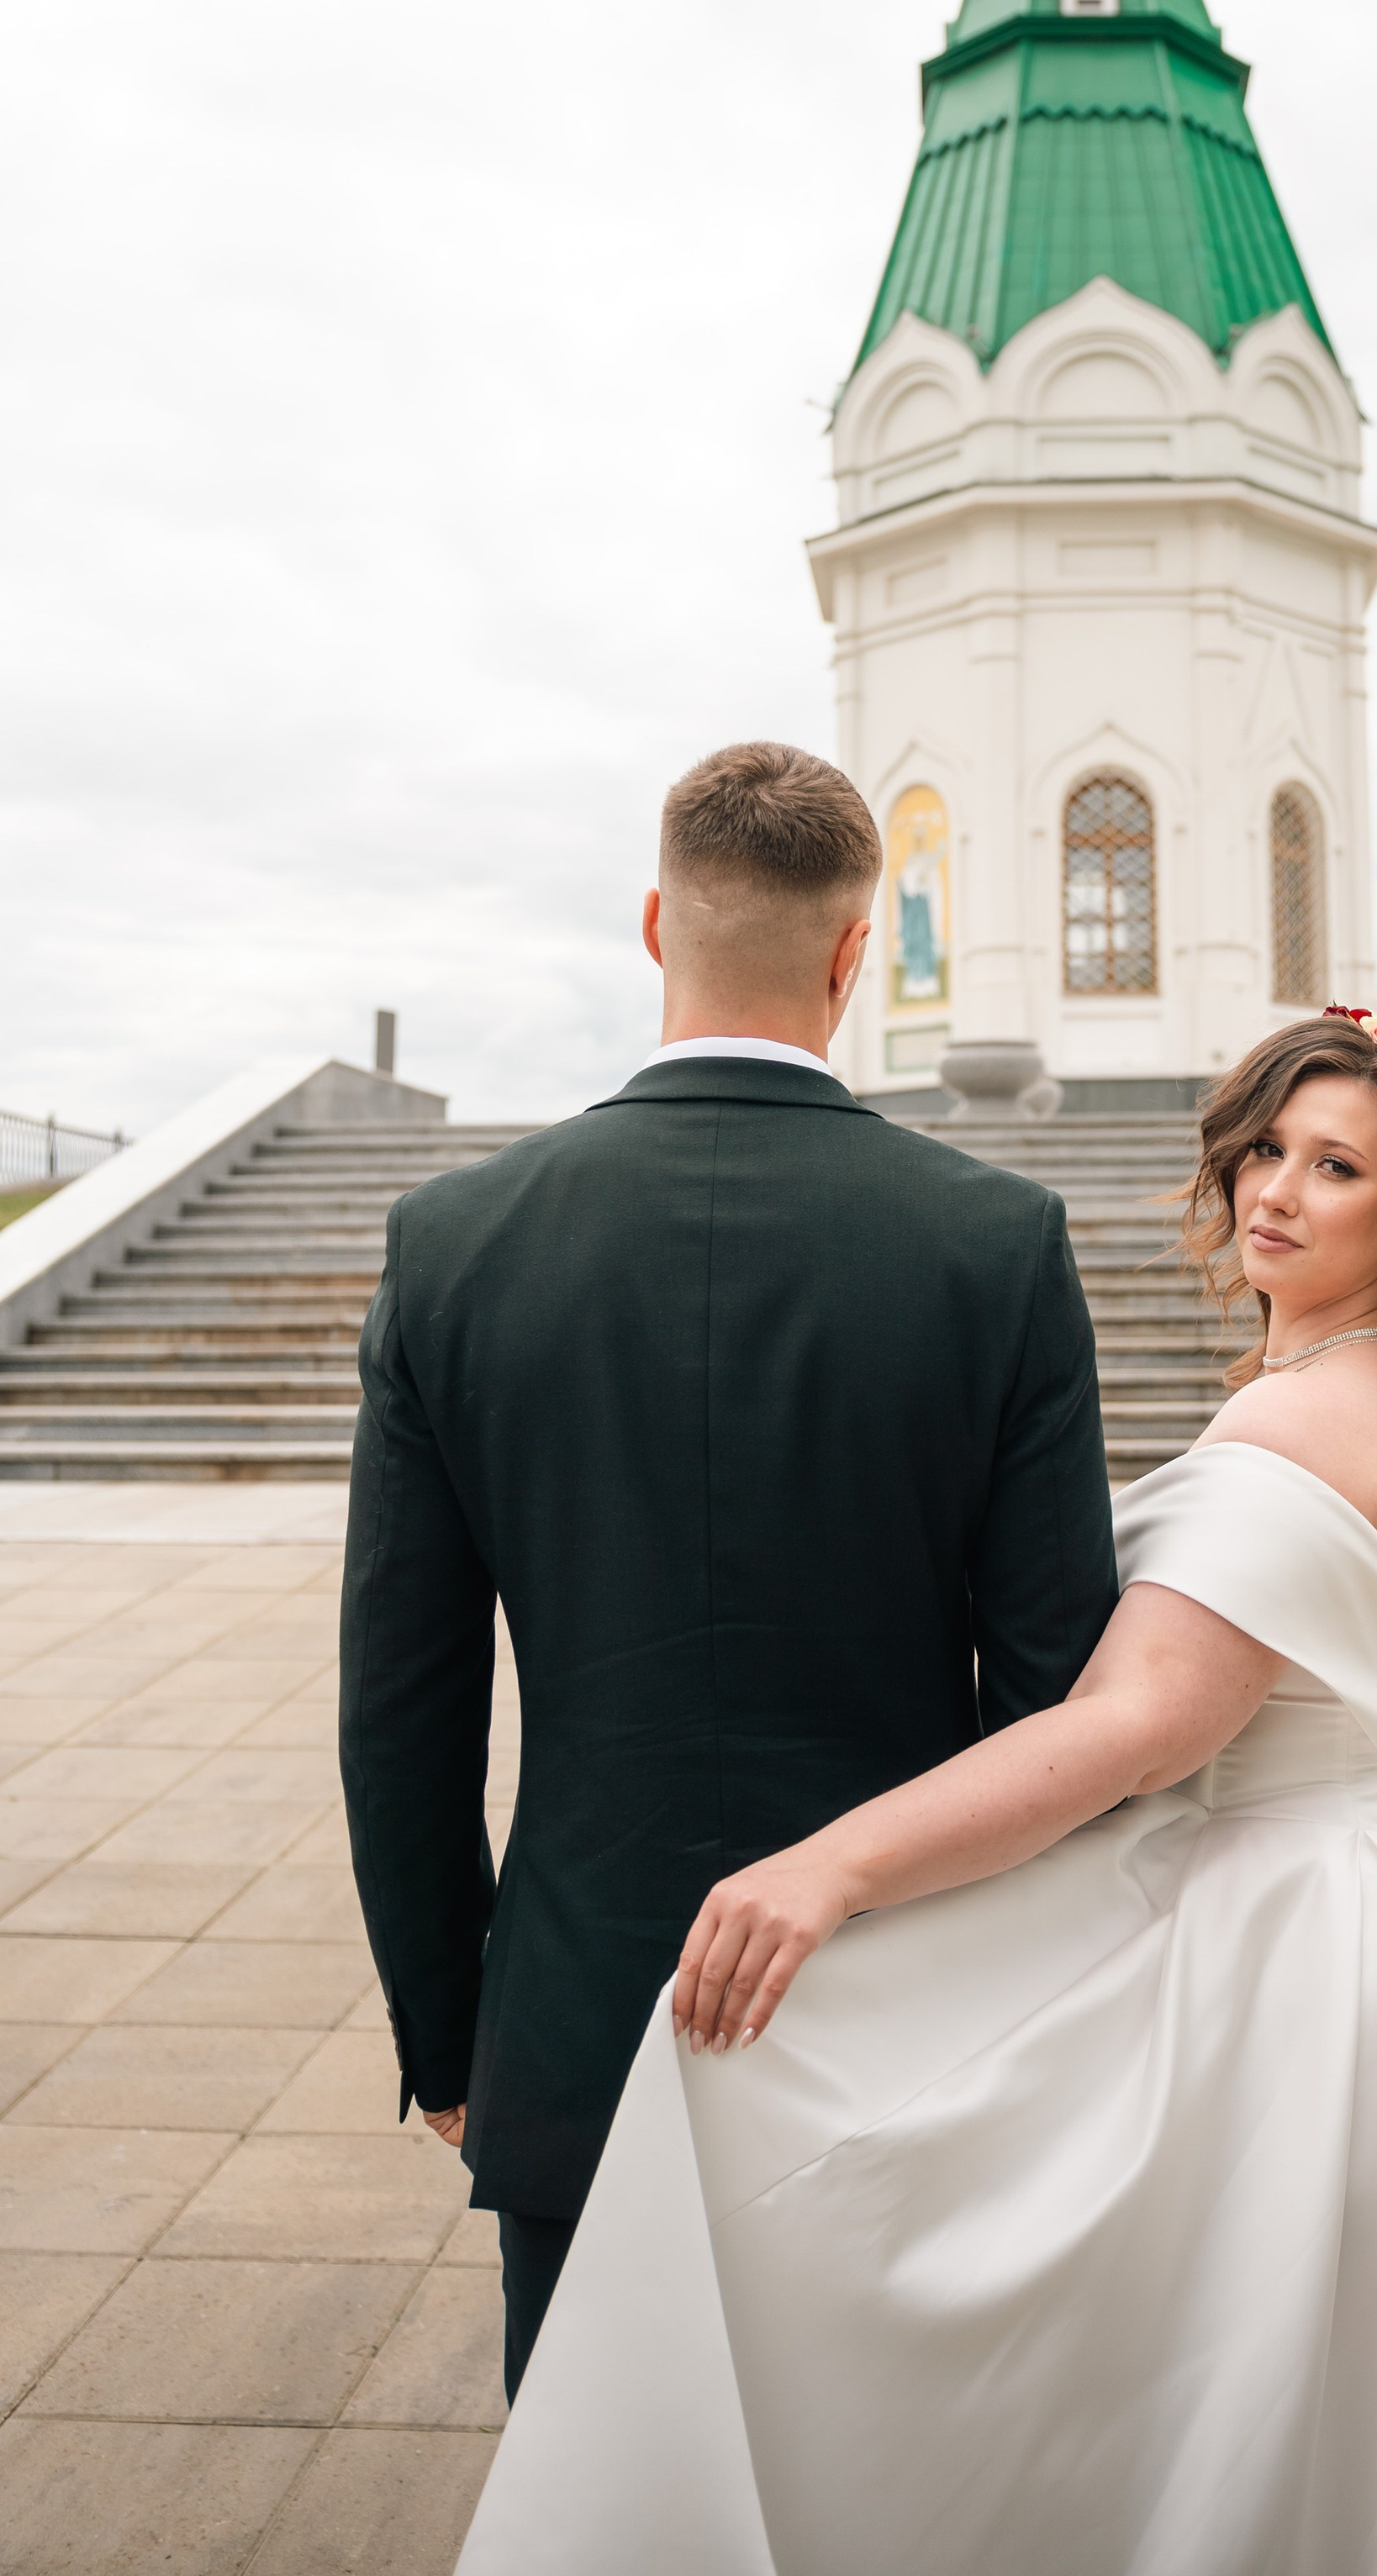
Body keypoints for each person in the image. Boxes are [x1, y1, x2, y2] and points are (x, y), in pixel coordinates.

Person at [455, 1011, 1377, 2574]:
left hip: (1296, 1976)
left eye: (1336, 1168)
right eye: (1266, 1150)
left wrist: (833, 1866)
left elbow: (1134, 1732)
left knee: (1210, 2397)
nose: (1274, 1191)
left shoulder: (1295, 1418)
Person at [338, 741, 1117, 2400]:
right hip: (902, 2016)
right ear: (856, 950)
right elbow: (1055, 1697)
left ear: (653, 925)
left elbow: (402, 1710)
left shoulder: (453, 1244)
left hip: (573, 2023)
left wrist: (450, 2031)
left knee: (598, 2489)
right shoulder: (995, 1246)